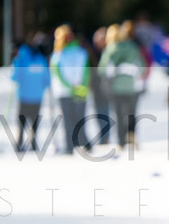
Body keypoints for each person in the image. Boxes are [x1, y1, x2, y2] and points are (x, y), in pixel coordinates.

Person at [99, 21, 146, 151]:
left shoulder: (111, 48)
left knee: (119, 114)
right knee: (131, 112)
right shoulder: (133, 47)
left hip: (116, 87)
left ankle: (121, 141)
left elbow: (102, 69)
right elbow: (142, 67)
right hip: (132, 86)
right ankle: (132, 135)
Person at [49, 24, 91, 154]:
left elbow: (57, 73)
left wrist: (70, 86)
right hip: (80, 88)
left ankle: (69, 146)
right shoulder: (81, 51)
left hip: (63, 91)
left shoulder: (57, 55)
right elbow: (86, 71)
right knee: (79, 118)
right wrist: (81, 85)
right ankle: (85, 144)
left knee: (68, 119)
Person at [10, 38, 51, 153]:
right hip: (37, 96)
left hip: (24, 95)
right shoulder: (41, 59)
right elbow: (47, 81)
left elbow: (15, 77)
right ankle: (33, 143)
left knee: (22, 121)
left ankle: (19, 143)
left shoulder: (21, 59)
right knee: (34, 121)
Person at [88, 27, 113, 145]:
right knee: (99, 112)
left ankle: (106, 137)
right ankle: (103, 136)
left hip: (107, 87)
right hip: (96, 87)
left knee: (105, 112)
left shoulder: (109, 51)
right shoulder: (92, 52)